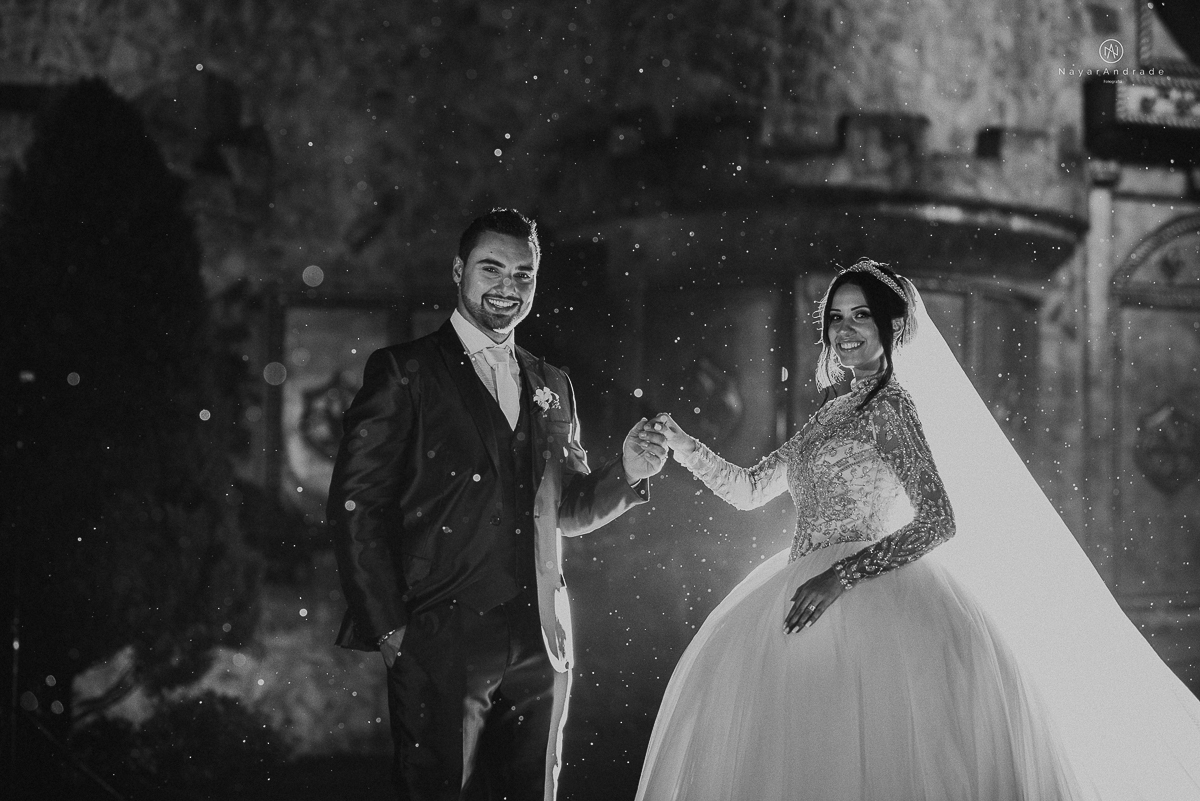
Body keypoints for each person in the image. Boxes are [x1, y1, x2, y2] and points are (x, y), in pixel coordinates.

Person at [636, 260, 1200, 801]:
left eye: (861, 315)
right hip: (802, 588)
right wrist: (683, 445)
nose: (845, 328)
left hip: (869, 597)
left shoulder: (892, 406)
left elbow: (937, 519)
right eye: (836, 317)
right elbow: (750, 489)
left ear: (892, 326)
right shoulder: (829, 414)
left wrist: (842, 574)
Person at [328, 208, 668, 801]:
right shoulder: (405, 373)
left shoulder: (551, 382)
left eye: (524, 274)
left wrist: (628, 473)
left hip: (542, 637)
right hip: (439, 635)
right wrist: (391, 630)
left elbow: (570, 508)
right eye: (493, 269)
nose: (508, 287)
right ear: (459, 271)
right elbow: (357, 505)